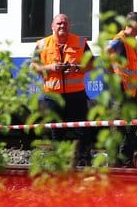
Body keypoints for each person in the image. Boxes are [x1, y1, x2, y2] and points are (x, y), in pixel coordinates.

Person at [30, 14, 97, 168]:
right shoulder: (42, 44)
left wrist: (77, 68)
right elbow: (33, 67)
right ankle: (59, 163)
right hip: (53, 96)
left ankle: (83, 161)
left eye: (65, 23)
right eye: (59, 23)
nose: (62, 26)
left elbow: (91, 65)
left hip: (76, 95)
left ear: (69, 26)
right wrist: (50, 68)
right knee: (56, 130)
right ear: (52, 26)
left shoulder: (80, 43)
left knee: (81, 129)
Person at [106, 11, 137, 167]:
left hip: (132, 94)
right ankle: (114, 167)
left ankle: (127, 165)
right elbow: (105, 54)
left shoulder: (132, 42)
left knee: (130, 132)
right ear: (135, 24)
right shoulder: (120, 41)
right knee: (118, 131)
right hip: (121, 95)